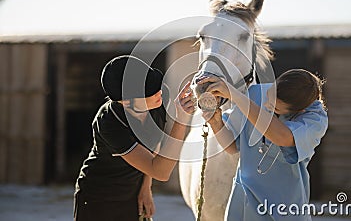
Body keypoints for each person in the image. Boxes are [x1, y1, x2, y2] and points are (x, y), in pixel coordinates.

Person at [74, 55, 195, 221]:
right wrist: (181, 121)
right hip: (99, 198)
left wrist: (146, 187)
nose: (157, 91)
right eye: (148, 90)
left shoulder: (157, 100)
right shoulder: (110, 122)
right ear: (126, 102)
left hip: (133, 193)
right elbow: (160, 171)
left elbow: (153, 148)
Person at [199, 69, 328, 220]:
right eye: (269, 95)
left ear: (299, 111)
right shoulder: (255, 93)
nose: (266, 104)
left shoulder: (316, 119)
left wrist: (236, 96)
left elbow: (283, 137)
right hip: (244, 200)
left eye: (275, 107)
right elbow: (232, 146)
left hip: (283, 206)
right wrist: (216, 122)